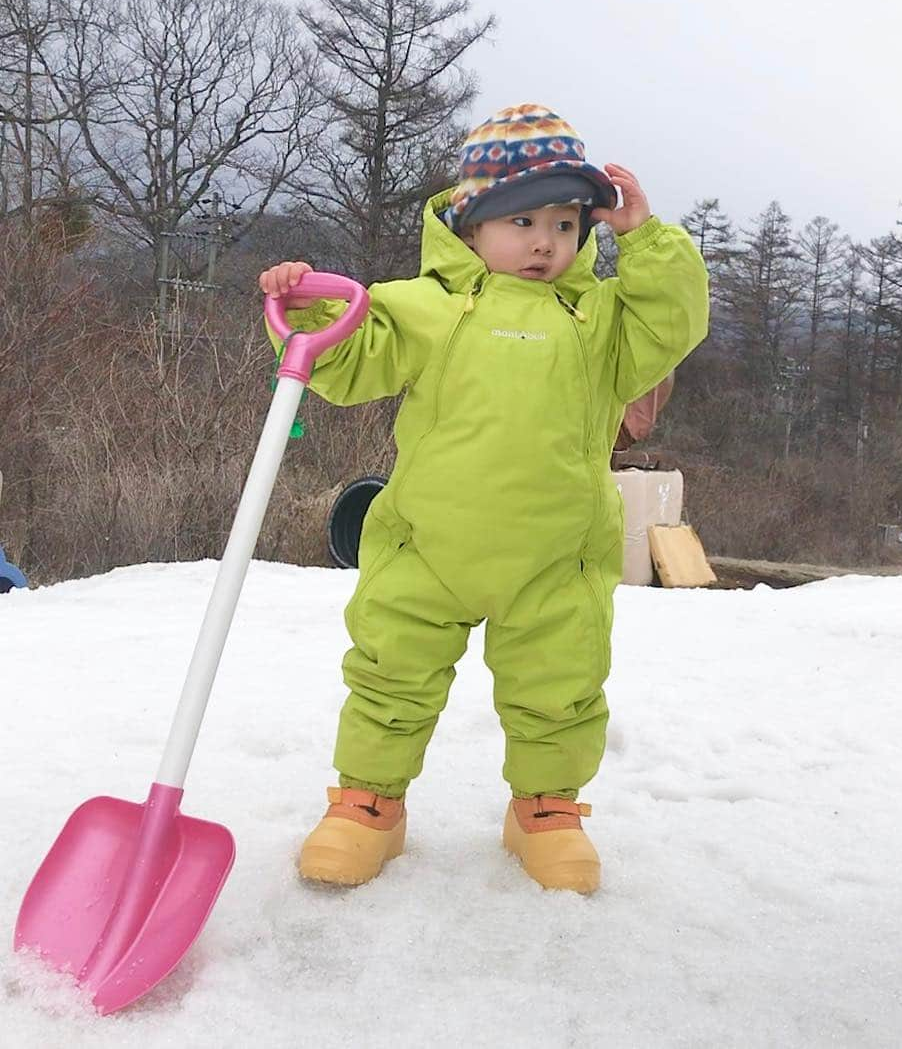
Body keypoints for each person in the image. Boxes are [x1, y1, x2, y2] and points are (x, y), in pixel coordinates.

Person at [260, 103, 709, 892]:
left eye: (567, 224)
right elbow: (349, 361)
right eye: (523, 219)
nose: (545, 241)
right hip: (426, 546)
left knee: (560, 686)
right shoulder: (423, 306)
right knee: (390, 675)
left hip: (555, 556)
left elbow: (672, 321)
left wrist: (645, 240)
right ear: (471, 226)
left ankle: (545, 809)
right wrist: (308, 309)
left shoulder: (601, 322)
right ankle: (369, 803)